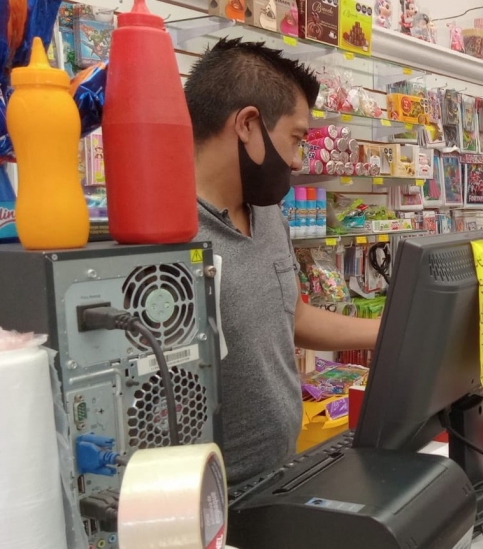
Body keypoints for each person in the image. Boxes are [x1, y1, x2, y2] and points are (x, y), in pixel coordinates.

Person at [184, 38, 381, 484]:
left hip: (278, 472)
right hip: (204, 499)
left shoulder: (269, 212)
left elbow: (289, 314)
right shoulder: (168, 233)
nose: (295, 161)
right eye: (294, 138)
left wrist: (398, 331)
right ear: (248, 124)